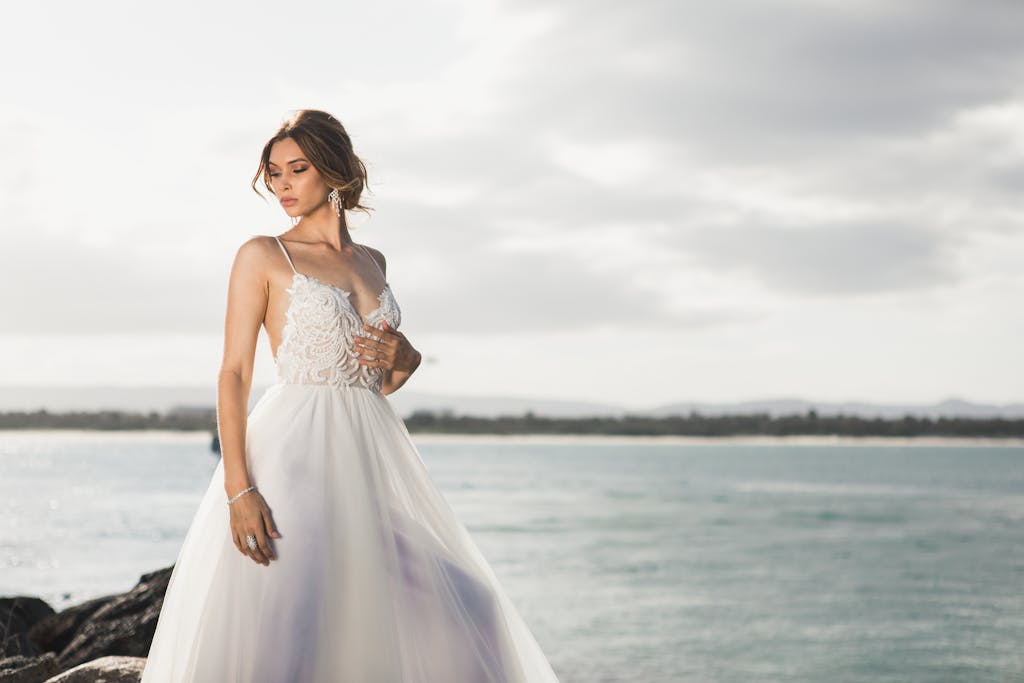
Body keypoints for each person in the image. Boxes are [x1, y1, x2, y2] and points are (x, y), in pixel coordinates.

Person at [140, 110, 561, 682]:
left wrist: (406, 359)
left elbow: (381, 379)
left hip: (366, 460)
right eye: (274, 173)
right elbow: (234, 373)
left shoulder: (373, 262)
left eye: (298, 169)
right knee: (294, 629)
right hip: (294, 457)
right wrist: (238, 489)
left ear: (334, 171)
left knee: (471, 606)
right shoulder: (264, 255)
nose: (283, 185)